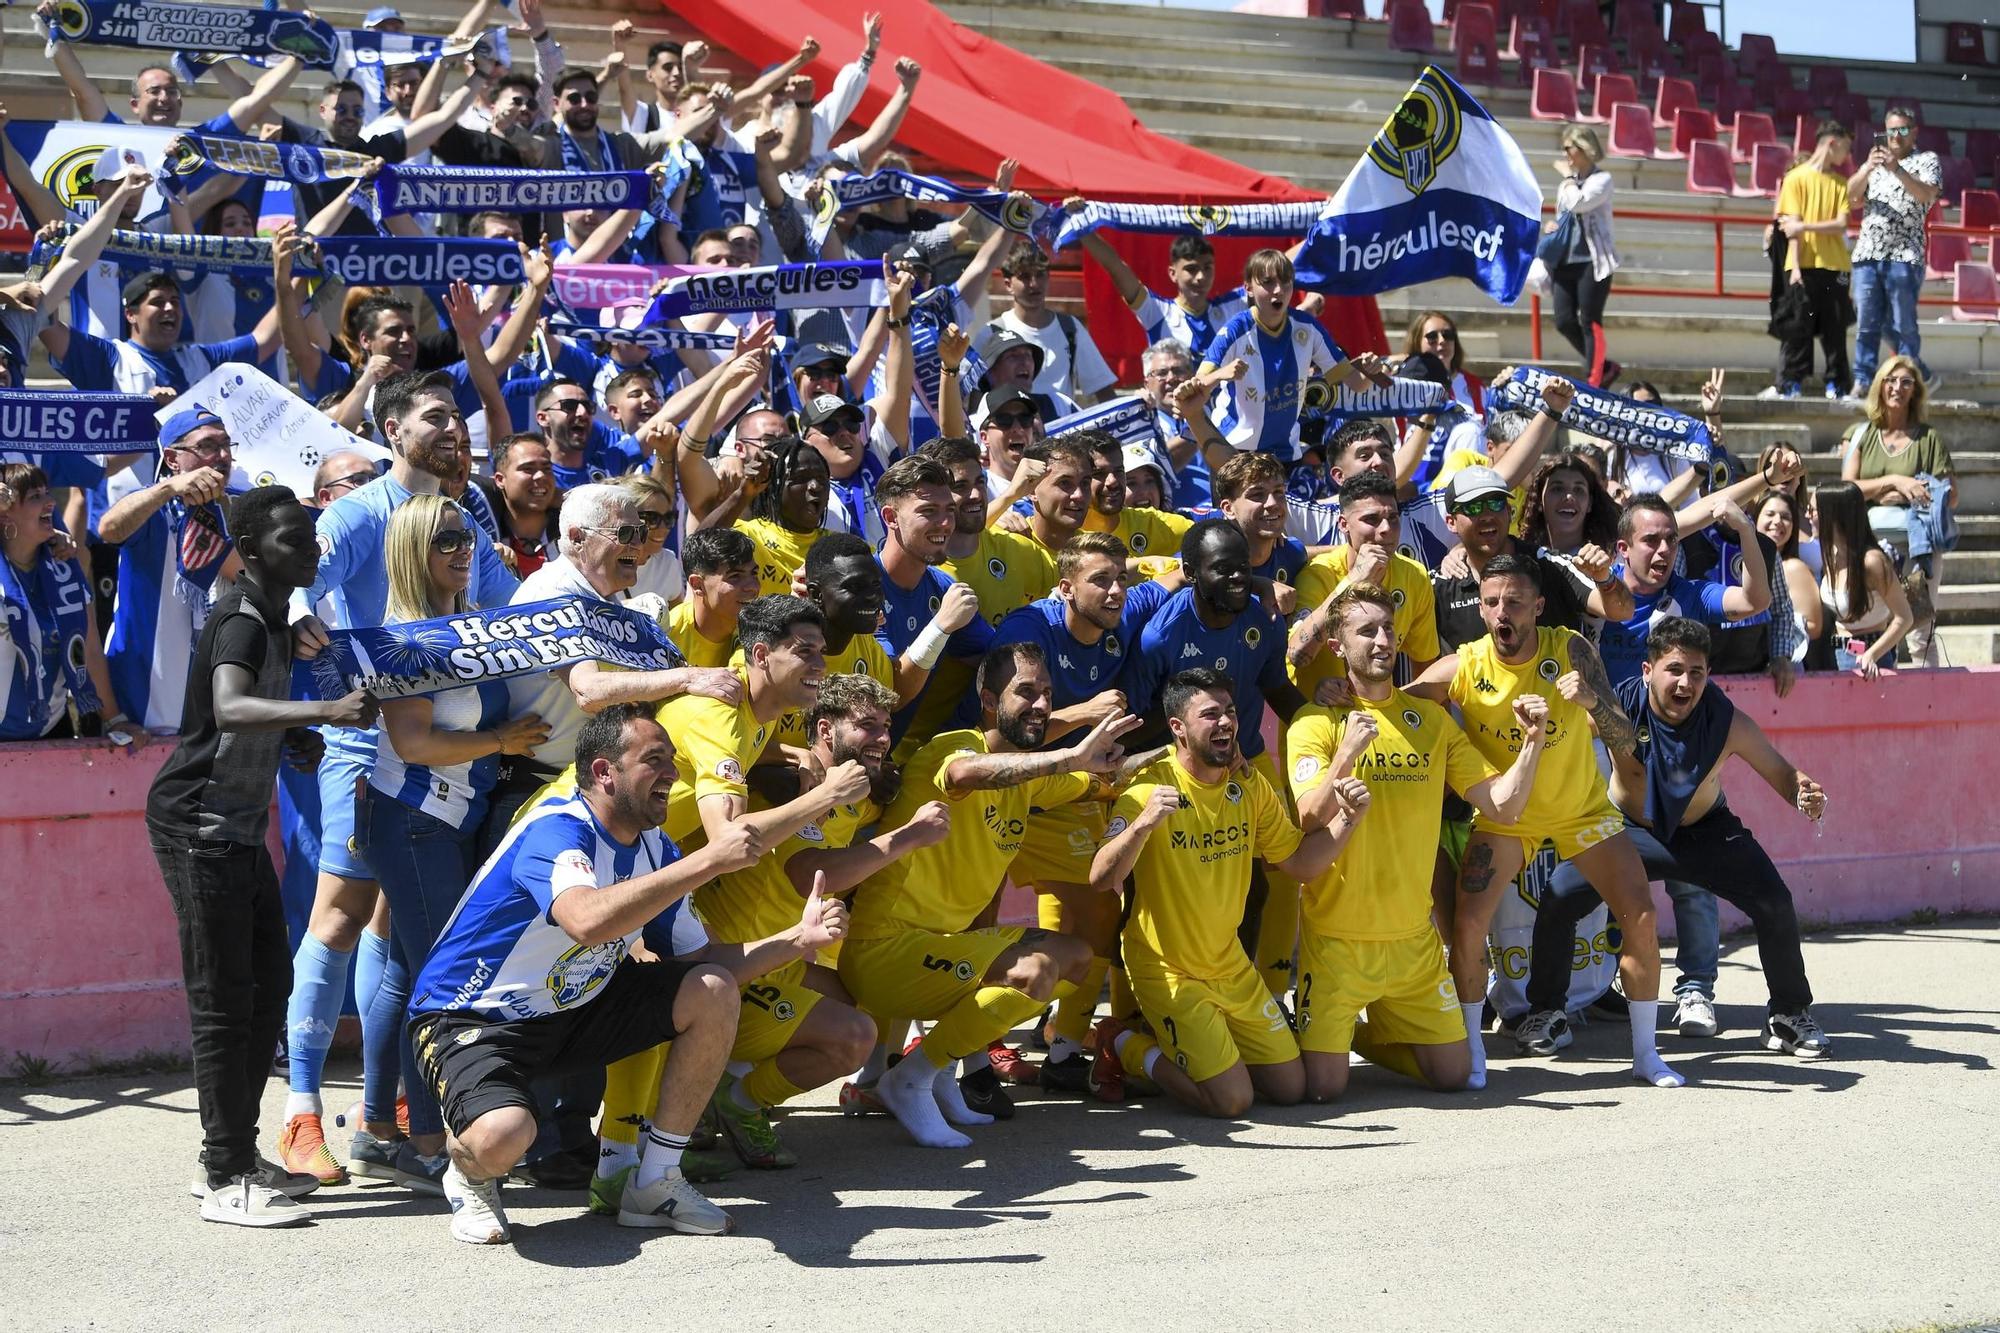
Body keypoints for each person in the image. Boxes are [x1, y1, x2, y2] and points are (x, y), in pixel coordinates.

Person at [405, 705, 802, 1243]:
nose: (672, 774)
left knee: (709, 990)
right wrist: (710, 859)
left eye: (673, 761)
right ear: (602, 771)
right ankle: (468, 1171)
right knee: (503, 1136)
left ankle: (655, 1180)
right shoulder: (556, 829)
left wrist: (800, 939)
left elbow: (705, 962)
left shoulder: (656, 849)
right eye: (654, 760)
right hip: (472, 1016)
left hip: (574, 1008)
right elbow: (586, 922)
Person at [278, 370, 519, 1188]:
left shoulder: (468, 520)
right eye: (437, 416)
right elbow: (298, 581)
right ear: (392, 429)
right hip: (370, 745)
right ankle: (302, 1112)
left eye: (460, 416)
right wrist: (301, 619)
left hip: (454, 752)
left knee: (399, 938)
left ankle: (382, 1118)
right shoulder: (356, 510)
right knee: (342, 919)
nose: (457, 428)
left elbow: (512, 616)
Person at [583, 596, 874, 1206]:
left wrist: (789, 758)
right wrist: (825, 797)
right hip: (579, 856)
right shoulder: (719, 712)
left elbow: (736, 756)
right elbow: (731, 842)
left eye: (824, 650)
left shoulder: (758, 714)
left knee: (675, 996)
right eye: (807, 650)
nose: (822, 662)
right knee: (647, 997)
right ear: (760, 655)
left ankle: (632, 1168)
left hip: (636, 862)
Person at [146, 486, 376, 1227]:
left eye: (309, 534)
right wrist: (324, 713)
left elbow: (251, 720)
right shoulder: (243, 617)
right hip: (198, 826)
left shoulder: (277, 616)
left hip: (237, 830)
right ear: (249, 550)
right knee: (223, 1004)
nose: (307, 545)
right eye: (289, 537)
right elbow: (231, 707)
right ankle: (224, 1178)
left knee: (266, 988)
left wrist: (294, 738)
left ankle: (237, 1156)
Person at [839, 643, 1138, 1145]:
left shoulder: (1030, 780)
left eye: (1047, 693)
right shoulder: (951, 747)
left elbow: (1101, 778)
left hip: (936, 953)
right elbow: (965, 773)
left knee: (1077, 957)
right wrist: (1069, 756)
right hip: (883, 954)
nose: (1041, 704)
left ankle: (930, 1072)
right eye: (1025, 691)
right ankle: (910, 1079)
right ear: (987, 697)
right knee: (1035, 969)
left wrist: (1178, 757)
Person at [1408, 554, 1681, 1090]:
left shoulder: (1570, 649)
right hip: (1508, 820)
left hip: (1582, 811)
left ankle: (1647, 1056)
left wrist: (1592, 704)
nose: (1501, 613)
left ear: (1537, 605)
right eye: (1491, 602)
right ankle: (1473, 1053)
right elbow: (1400, 707)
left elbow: (1625, 735)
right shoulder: (1464, 666)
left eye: (1513, 602)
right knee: (1465, 926)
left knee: (1642, 916)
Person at [1517, 618, 1831, 1060]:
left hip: (1704, 831)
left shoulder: (1725, 721)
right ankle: (1546, 1010)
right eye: (1675, 670)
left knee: (1775, 901)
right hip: (1624, 830)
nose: (1686, 683)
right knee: (1559, 895)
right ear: (1648, 670)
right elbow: (1555, 737)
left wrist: (1803, 793)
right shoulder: (1614, 704)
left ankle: (1788, 1014)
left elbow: (1780, 772)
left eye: (1697, 673)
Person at [1284, 585, 1547, 1102]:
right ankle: (1322, 1039)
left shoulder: (1429, 721)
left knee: (1453, 1075)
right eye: (1366, 631)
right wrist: (1349, 752)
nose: (1381, 641)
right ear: (1338, 647)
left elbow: (1501, 804)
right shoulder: (1314, 721)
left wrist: (1533, 742)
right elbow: (1309, 815)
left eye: (1387, 629)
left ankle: (1365, 1031)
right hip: (1338, 942)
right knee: (1323, 1089)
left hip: (1412, 943)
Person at [357, 496, 549, 1194]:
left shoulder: (465, 621)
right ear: (413, 547)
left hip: (448, 819)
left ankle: (383, 1127)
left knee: (410, 972)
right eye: (445, 539)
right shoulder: (403, 632)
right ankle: (429, 1139)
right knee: (441, 980)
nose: (462, 548)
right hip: (412, 819)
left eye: (466, 535)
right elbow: (412, 741)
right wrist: (502, 741)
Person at [1088, 667, 1351, 1117]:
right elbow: (1099, 876)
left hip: (1229, 966)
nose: (1226, 722)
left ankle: (1209, 1045)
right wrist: (1143, 825)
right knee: (1232, 1101)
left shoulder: (1248, 787)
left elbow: (1300, 863)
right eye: (1210, 715)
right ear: (1178, 728)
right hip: (1168, 971)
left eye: (1229, 711)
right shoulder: (1149, 788)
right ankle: (1124, 1044)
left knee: (1291, 1088)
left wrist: (1348, 819)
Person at [689, 673, 921, 1172]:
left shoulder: (853, 787)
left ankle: (730, 1095)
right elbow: (807, 873)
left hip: (781, 956)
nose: (881, 738)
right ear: (824, 728)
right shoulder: (786, 785)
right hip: (728, 966)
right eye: (866, 726)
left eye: (886, 726)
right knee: (854, 1035)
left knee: (853, 997)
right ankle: (711, 1099)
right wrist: (907, 837)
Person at [991, 532, 1182, 1093]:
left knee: (1100, 910)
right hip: (1002, 784)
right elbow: (1002, 733)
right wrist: (1083, 714)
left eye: (1121, 578)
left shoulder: (1120, 607)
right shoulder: (1030, 632)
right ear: (1065, 587)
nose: (1117, 590)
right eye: (1101, 580)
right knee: (971, 921)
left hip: (1066, 791)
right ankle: (973, 1051)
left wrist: (1266, 583)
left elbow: (1176, 577)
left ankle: (1065, 1048)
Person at [96, 409, 242, 735]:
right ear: (173, 459)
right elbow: (109, 529)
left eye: (225, 445)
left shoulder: (229, 510)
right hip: (143, 694)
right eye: (207, 446)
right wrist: (170, 488)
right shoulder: (154, 507)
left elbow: (249, 576)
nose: (221, 456)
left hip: (204, 700)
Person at [1839, 357, 1955, 665]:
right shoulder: (1863, 433)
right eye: (1891, 380)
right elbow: (1847, 489)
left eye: (1906, 382)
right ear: (1879, 386)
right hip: (1869, 548)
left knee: (1920, 632)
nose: (1897, 388)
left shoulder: (1929, 438)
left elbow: (1950, 495)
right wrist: (1894, 482)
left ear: (1915, 391)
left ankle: (1929, 705)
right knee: (1870, 626)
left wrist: (1907, 491)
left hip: (1917, 547)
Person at [0, 464, 126, 744]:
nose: (50, 503)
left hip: (48, 729)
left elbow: (90, 649)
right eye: (35, 497)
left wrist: (116, 719)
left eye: (47, 493)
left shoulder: (69, 563)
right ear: (4, 512)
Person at [1598, 493, 1770, 688]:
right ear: (1623, 548)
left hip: (1664, 717)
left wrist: (1746, 531)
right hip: (1599, 714)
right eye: (1651, 540)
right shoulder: (1597, 586)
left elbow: (1754, 602)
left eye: (1671, 539)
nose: (1664, 549)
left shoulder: (1691, 595)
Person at [1847, 107, 1942, 397]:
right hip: (1867, 254)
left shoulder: (1926, 160)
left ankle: (1910, 381)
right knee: (1866, 322)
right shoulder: (1873, 164)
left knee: (1904, 324)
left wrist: (1897, 170)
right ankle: (1863, 380)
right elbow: (1851, 198)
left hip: (1905, 255)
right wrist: (1865, 168)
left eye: (1902, 130)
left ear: (1914, 133)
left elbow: (1928, 194)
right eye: (1891, 131)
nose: (1895, 137)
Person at [1766, 121, 1856, 400]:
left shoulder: (1841, 183)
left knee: (1835, 329)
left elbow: (1841, 224)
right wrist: (1793, 268)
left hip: (1836, 265)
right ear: (1832, 143)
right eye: (1845, 147)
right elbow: (1790, 227)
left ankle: (1837, 384)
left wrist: (1805, 227)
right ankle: (1791, 383)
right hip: (1802, 266)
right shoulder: (1796, 178)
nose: (1847, 155)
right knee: (1797, 328)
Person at [976, 244, 1117, 407]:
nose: (1034, 284)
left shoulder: (1070, 327)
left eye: (1040, 275)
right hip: (1013, 428)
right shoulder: (991, 333)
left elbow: (1103, 389)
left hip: (1061, 429)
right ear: (1008, 284)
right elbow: (969, 391)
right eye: (1025, 276)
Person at [1544, 126, 1621, 389]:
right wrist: (1553, 226)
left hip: (1593, 261)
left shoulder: (1603, 180)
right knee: (1564, 319)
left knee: (1590, 319)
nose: (1565, 154)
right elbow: (1566, 213)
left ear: (1583, 148)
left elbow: (1579, 202)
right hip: (1566, 259)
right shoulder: (1568, 183)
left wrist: (1567, 179)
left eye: (1569, 148)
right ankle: (1604, 366)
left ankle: (1595, 377)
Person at [1813, 480, 1915, 678]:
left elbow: (1905, 618)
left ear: (1833, 516)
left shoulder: (1872, 562)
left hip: (1869, 657)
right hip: (1837, 652)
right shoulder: (1831, 553)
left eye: (1814, 511)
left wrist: (1873, 654)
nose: (1808, 516)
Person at [736, 436, 834, 597]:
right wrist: (742, 495)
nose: (815, 487)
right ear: (773, 488)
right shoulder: (747, 536)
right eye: (800, 478)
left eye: (822, 479)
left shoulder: (838, 548)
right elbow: (698, 548)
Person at [669, 528, 761, 668]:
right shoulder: (666, 636)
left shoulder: (761, 632)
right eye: (735, 576)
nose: (753, 587)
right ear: (697, 585)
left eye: (754, 574)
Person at [481, 433, 561, 577]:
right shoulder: (485, 541)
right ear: (500, 480)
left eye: (547, 468)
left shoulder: (572, 538)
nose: (541, 476)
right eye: (528, 469)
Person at [1402, 311, 1486, 419]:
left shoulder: (1475, 385)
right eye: (1432, 336)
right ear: (1417, 342)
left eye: (1448, 335)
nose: (1442, 341)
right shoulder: (1405, 385)